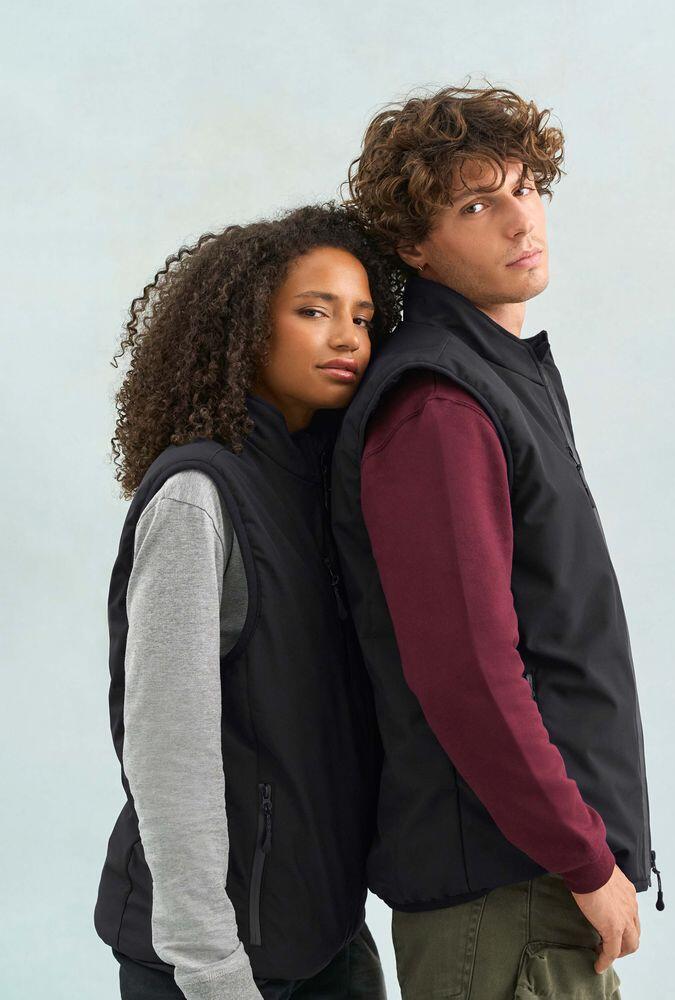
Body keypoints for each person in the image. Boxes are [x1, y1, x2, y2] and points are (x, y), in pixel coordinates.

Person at [330, 83, 665, 998]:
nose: (522, 220)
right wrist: (583, 854)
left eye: (526, 188)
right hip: (508, 890)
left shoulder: (498, 378)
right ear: (415, 245)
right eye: (478, 206)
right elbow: (465, 671)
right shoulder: (439, 406)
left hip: (534, 882)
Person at [93, 202, 400, 1000]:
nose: (347, 339)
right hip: (214, 960)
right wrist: (211, 966)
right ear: (245, 325)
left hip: (324, 936)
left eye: (362, 319)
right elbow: (168, 750)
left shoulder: (319, 487)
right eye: (314, 312)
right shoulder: (198, 495)